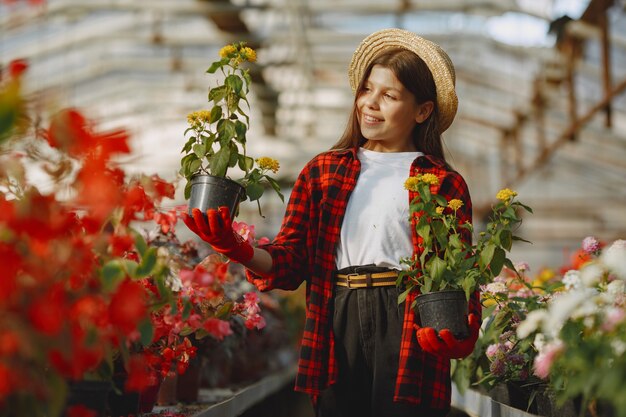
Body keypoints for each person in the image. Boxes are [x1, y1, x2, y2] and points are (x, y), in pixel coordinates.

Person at [183, 28, 481, 417]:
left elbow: (457, 271)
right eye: (367, 90)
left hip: (409, 316)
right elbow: (291, 262)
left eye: (389, 95)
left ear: (422, 110)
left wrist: (462, 329)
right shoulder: (324, 171)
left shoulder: (443, 182)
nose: (370, 104)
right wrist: (236, 248)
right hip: (338, 312)